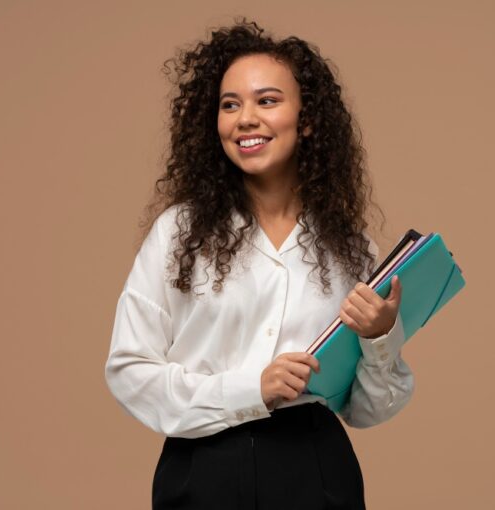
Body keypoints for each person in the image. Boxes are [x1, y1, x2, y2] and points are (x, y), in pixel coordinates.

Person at [104, 18, 414, 510]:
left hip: (315, 470)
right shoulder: (179, 233)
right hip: (202, 468)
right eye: (230, 105)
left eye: (267, 101)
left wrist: (379, 338)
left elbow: (369, 410)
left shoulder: (349, 248)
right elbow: (129, 371)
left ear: (307, 118)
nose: (245, 118)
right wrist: (252, 388)